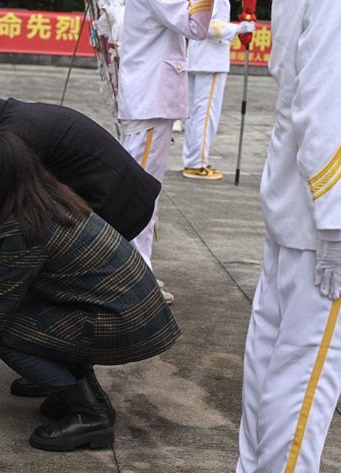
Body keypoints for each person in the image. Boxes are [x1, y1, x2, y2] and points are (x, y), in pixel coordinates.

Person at [0, 132, 181, 451]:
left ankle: (89, 415)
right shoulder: (42, 200)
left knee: (1, 330)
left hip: (125, 322)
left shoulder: (25, 225)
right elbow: (6, 275)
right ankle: (88, 397)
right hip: (132, 313)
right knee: (9, 315)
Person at [0, 72, 163, 399]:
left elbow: (3, 240)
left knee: (16, 312)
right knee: (17, 282)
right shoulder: (10, 124)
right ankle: (57, 370)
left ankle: (78, 397)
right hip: (92, 205)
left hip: (118, 203)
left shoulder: (19, 138)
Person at [235, 1, 341, 473]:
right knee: (303, 381)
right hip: (323, 213)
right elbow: (327, 100)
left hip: (294, 200)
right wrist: (337, 218)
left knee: (272, 365)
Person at [116, 0, 214, 283]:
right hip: (151, 98)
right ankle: (134, 277)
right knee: (141, 193)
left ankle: (136, 272)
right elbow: (195, 26)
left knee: (142, 191)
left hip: (151, 97)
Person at [182, 0, 255, 180]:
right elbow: (205, 25)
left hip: (199, 57)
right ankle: (197, 164)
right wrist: (238, 29)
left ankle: (193, 160)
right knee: (205, 116)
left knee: (195, 115)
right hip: (210, 59)